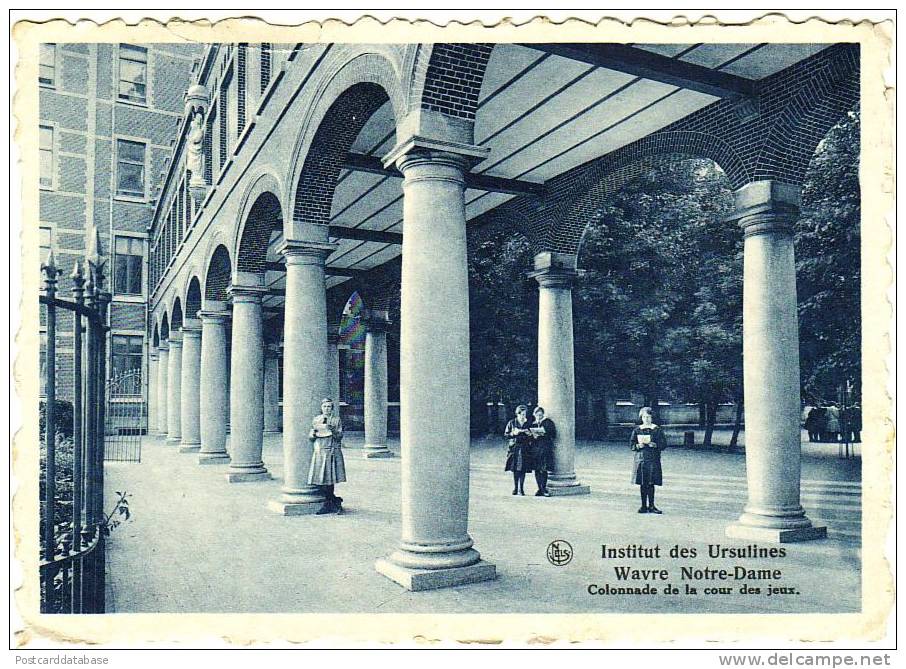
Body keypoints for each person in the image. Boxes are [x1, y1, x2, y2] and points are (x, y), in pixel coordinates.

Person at [308, 398, 346, 514]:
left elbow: (339, 436)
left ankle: (330, 502)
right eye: (325, 406)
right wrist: (313, 433)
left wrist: (332, 429)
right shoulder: (316, 420)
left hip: (331, 451)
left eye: (329, 407)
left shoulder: (336, 420)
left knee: (330, 478)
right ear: (321, 408)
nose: (327, 409)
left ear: (332, 409)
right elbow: (311, 437)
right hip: (320, 451)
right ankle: (332, 500)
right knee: (320, 477)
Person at [630, 406, 667, 514]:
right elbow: (632, 444)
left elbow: (664, 444)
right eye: (645, 417)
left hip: (653, 459)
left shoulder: (657, 430)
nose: (647, 419)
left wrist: (655, 445)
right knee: (643, 483)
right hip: (641, 460)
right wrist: (638, 446)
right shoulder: (637, 430)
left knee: (651, 483)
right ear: (641, 418)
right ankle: (643, 506)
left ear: (652, 418)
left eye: (649, 417)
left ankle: (651, 505)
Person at [504, 405, 534, 496]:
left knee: (523, 469)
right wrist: (514, 433)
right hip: (515, 448)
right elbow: (506, 434)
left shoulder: (529, 423)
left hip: (525, 448)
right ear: (517, 414)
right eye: (521, 414)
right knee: (515, 468)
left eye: (524, 414)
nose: (523, 416)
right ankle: (515, 488)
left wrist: (529, 434)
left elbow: (533, 435)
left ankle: (521, 488)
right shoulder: (512, 422)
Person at [530, 406, 556, 497]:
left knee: (543, 469)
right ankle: (539, 488)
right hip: (535, 449)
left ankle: (544, 488)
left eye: (540, 415)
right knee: (537, 469)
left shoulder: (548, 423)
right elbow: (529, 437)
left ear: (543, 414)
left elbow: (553, 434)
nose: (539, 417)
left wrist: (543, 433)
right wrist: (532, 436)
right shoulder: (532, 424)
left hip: (545, 448)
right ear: (534, 415)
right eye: (537, 415)